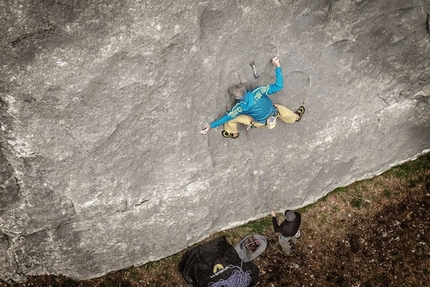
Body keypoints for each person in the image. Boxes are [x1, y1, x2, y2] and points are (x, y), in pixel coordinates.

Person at [200, 56, 305, 139]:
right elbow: (279, 86)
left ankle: (233, 133)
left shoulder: (239, 108)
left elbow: (226, 117)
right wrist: (277, 66)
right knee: (284, 111)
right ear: (245, 90)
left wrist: (211, 126)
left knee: (231, 120)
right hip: (274, 112)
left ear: (237, 99)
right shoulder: (258, 91)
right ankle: (296, 117)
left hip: (260, 122)